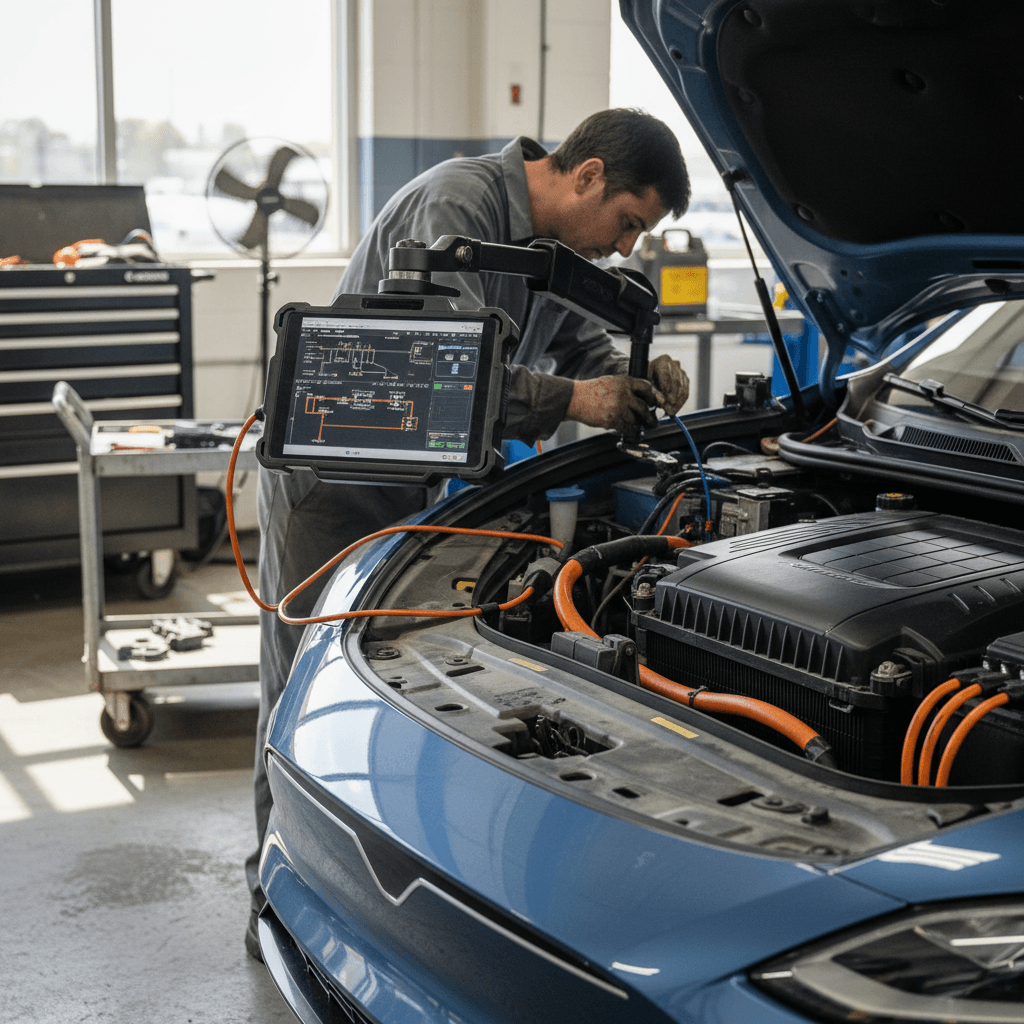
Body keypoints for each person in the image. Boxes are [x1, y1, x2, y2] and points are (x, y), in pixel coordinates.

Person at [245, 108, 691, 959]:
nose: (627, 247)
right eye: (629, 223)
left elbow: (577, 339)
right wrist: (575, 401)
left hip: (410, 481)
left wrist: (624, 372)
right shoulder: (460, 205)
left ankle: (382, 902)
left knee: (378, 688)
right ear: (587, 174)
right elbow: (434, 368)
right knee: (302, 679)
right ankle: (274, 889)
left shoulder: (549, 250)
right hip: (332, 483)